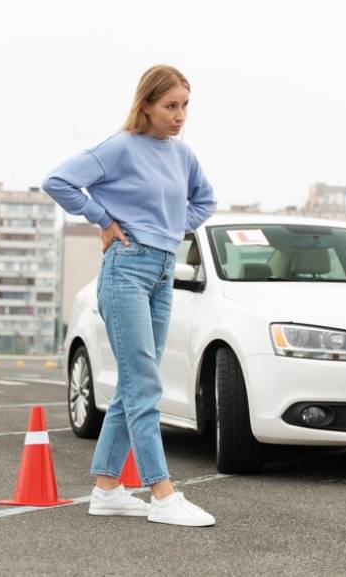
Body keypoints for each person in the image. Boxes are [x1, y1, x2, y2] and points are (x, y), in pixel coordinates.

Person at [43, 65, 217, 526]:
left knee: (135, 381)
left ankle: (106, 489)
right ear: (146, 105)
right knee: (144, 383)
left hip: (163, 270)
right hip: (126, 269)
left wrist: (175, 226)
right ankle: (161, 493)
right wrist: (102, 217)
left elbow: (205, 199)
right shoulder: (120, 147)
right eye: (170, 106)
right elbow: (58, 181)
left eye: (184, 106)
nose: (180, 116)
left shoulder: (183, 156)